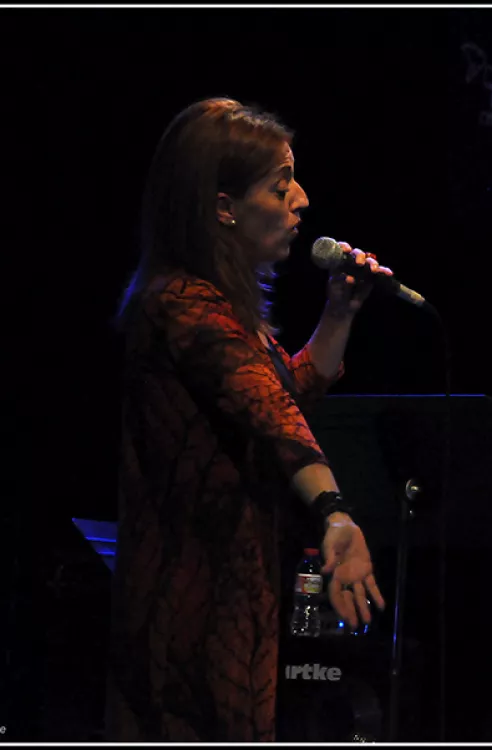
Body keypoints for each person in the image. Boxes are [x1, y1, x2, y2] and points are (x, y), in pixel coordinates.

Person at [107, 97, 389, 742]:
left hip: (239, 590)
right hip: (189, 609)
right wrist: (335, 513)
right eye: (281, 186)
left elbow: (286, 393)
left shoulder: (226, 312)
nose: (301, 200)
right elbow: (273, 414)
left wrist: (339, 315)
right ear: (223, 207)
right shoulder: (181, 304)